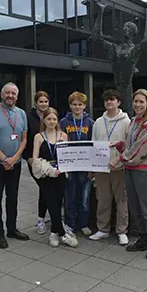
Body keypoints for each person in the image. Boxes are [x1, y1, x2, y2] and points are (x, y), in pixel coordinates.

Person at [110, 89, 147, 259]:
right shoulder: (134, 121)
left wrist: (118, 160)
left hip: (144, 171)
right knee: (135, 207)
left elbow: (139, 149)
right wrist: (120, 145)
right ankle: (143, 238)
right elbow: (131, 145)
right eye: (135, 101)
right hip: (131, 170)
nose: (138, 105)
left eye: (141, 102)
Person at [0, 82, 30, 249]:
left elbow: (24, 139)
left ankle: (12, 229)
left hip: (15, 164)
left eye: (13, 94)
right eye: (7, 93)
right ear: (2, 94)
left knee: (13, 198)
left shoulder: (22, 113)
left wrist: (15, 158)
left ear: (17, 96)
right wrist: (4, 159)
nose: (10, 96)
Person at [32, 107, 78, 248]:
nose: (51, 122)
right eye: (48, 119)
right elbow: (35, 159)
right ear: (44, 120)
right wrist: (49, 170)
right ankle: (63, 233)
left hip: (61, 175)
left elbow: (68, 156)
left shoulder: (63, 136)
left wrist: (62, 169)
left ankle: (53, 232)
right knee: (50, 202)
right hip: (45, 175)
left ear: (57, 120)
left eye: (54, 119)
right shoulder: (39, 137)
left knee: (57, 203)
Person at [89, 89, 130, 245]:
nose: (108, 102)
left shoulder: (126, 122)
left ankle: (122, 230)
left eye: (111, 99)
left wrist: (120, 161)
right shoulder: (98, 122)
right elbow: (94, 144)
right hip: (101, 168)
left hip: (119, 167)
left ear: (118, 102)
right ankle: (103, 229)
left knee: (121, 200)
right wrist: (92, 167)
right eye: (106, 100)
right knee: (103, 200)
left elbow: (129, 145)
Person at [60, 92, 94, 236]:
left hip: (85, 166)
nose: (77, 107)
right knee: (70, 196)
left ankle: (84, 223)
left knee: (85, 197)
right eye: (74, 104)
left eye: (80, 104)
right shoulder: (63, 123)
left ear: (85, 106)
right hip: (69, 166)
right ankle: (70, 223)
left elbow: (94, 144)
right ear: (70, 105)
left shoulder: (90, 123)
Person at [22, 91, 50, 234]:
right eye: (41, 102)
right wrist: (28, 158)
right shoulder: (28, 118)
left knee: (48, 189)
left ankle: (49, 217)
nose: (44, 104)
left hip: (50, 161)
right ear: (35, 103)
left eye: (46, 101)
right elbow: (24, 140)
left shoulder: (51, 116)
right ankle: (41, 220)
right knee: (45, 188)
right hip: (35, 161)